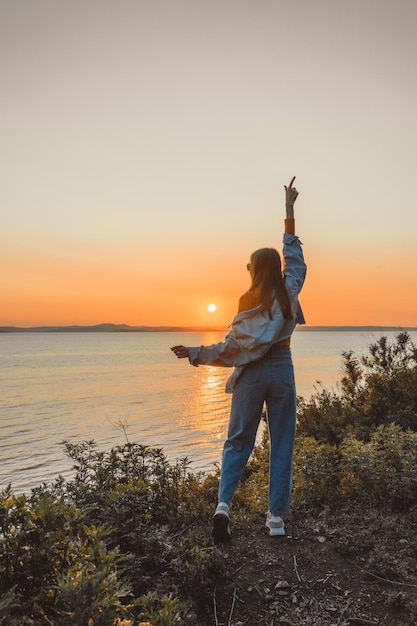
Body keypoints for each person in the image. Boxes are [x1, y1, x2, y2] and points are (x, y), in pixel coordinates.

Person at [171, 176, 306, 543]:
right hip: (282, 369)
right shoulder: (289, 291)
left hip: (250, 374)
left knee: (237, 442)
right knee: (281, 443)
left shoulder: (247, 303)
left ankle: (223, 507)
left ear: (256, 269)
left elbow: (231, 349)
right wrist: (289, 212)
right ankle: (276, 519)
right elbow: (295, 261)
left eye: (248, 265)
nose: (246, 269)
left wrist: (196, 353)